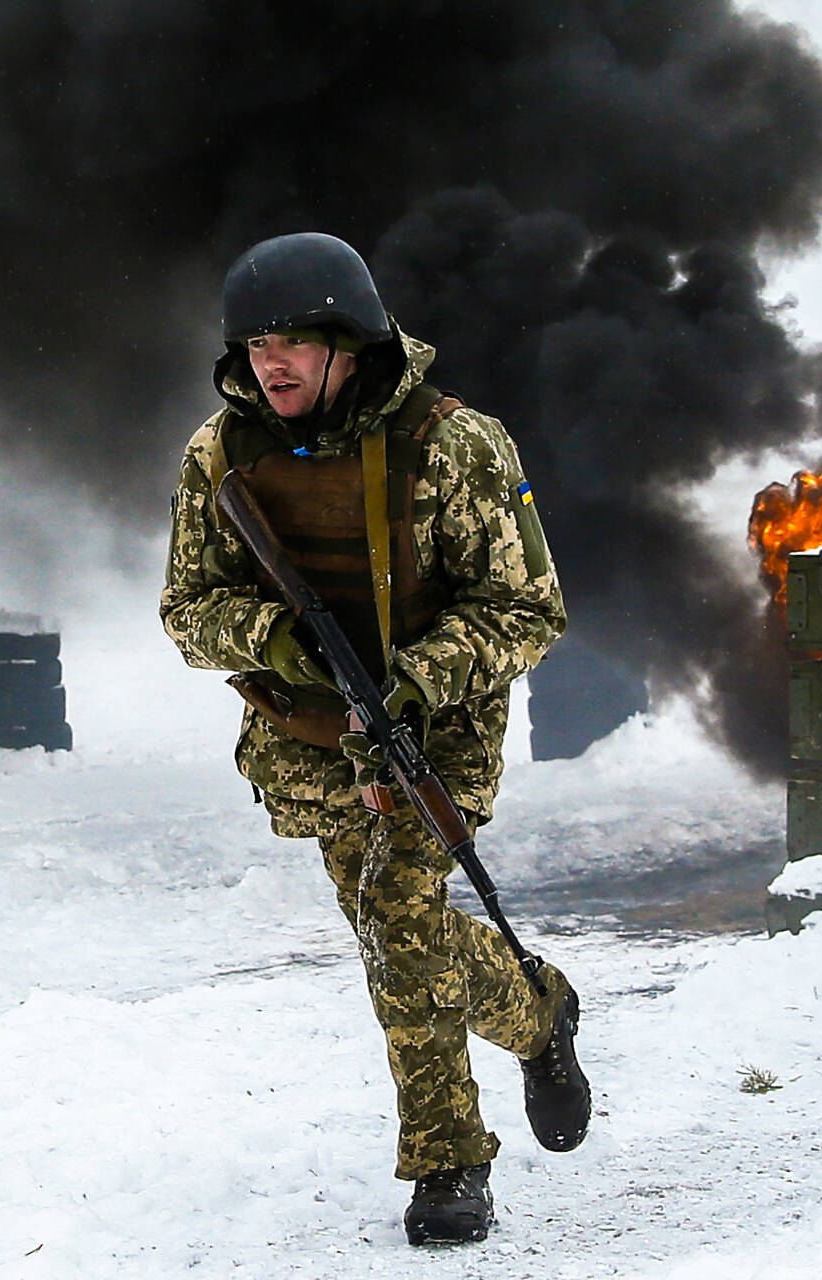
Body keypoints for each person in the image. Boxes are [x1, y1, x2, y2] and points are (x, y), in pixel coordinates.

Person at [160, 232, 590, 1246]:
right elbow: (186, 609)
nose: (272, 362)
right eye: (257, 343)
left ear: (348, 343)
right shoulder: (219, 455)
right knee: (396, 934)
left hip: (431, 733)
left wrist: (421, 676)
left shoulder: (455, 446)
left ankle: (447, 1165)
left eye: (296, 341)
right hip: (309, 740)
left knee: (401, 923)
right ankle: (538, 1011)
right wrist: (274, 640)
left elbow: (529, 608)